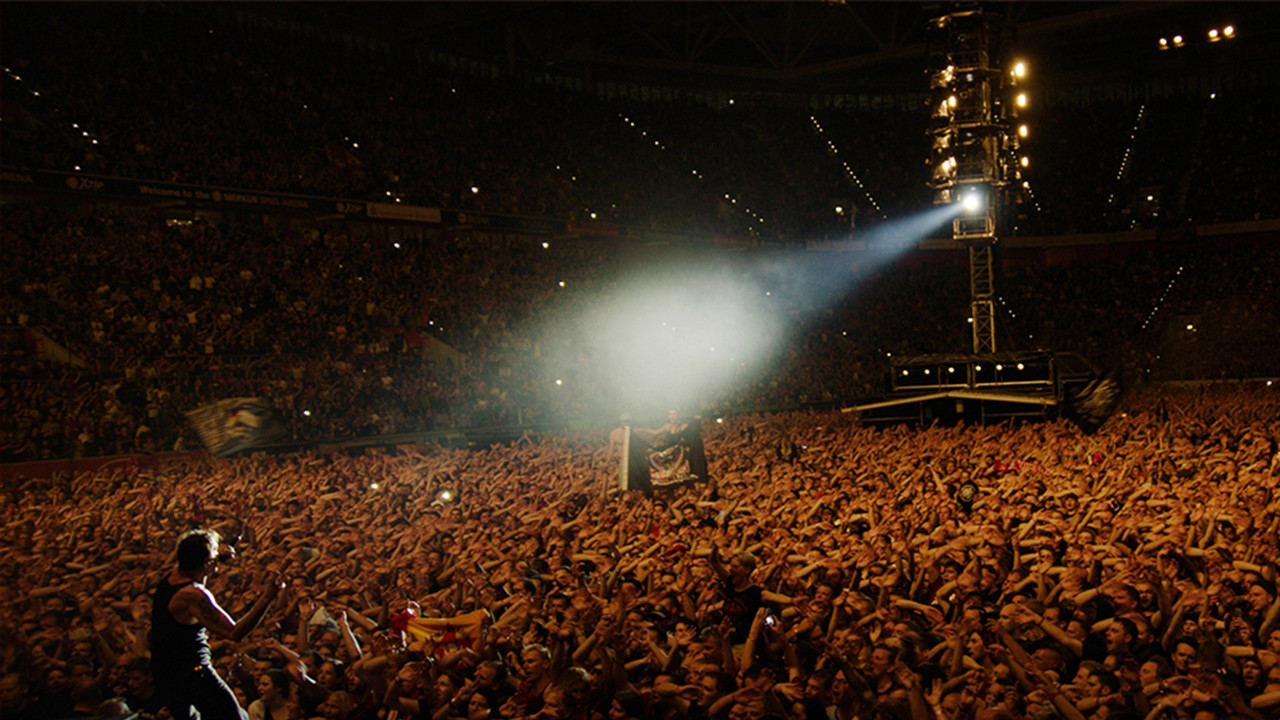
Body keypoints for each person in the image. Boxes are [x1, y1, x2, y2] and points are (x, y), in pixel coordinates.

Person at [151, 529, 284, 720]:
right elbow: (235, 633)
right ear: (205, 563)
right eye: (213, 556)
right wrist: (268, 597)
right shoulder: (193, 595)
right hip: (193, 673)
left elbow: (195, 570)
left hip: (167, 672)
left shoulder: (171, 576)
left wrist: (215, 560)